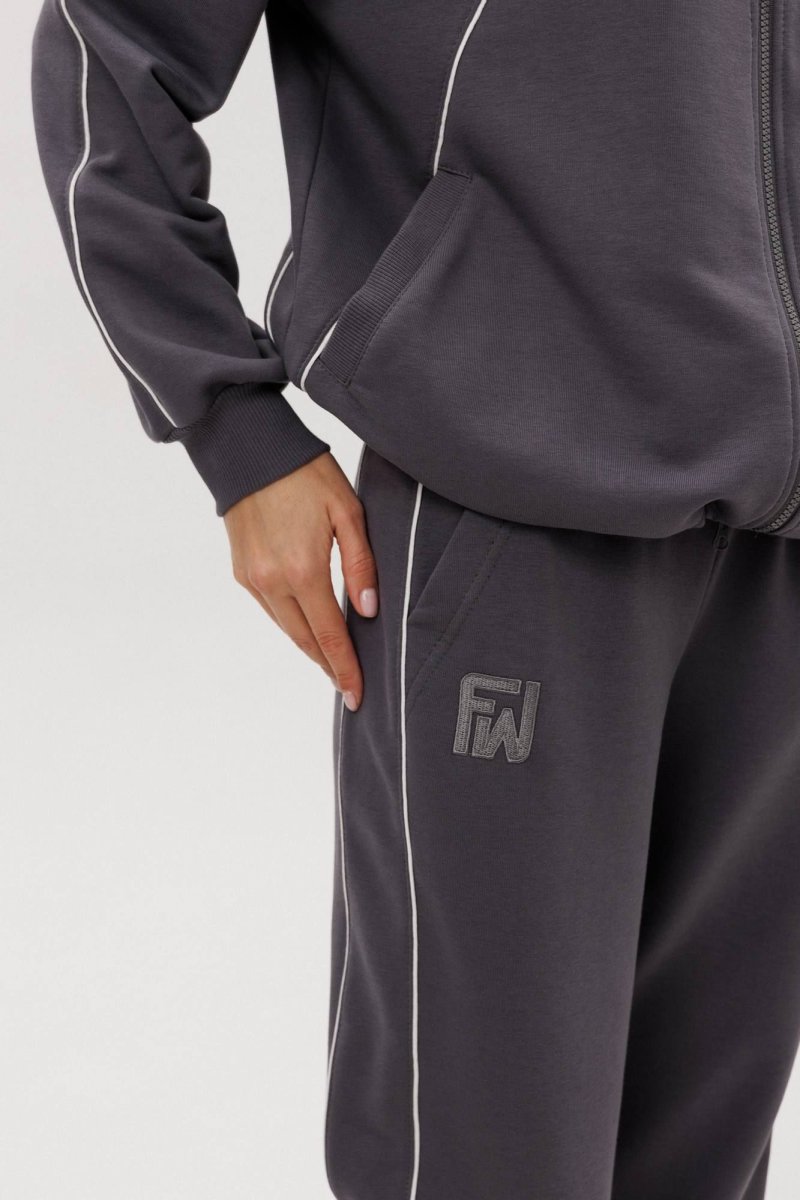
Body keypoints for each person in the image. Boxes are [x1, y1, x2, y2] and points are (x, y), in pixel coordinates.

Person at [30, 1, 800, 1196]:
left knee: (699, 1160)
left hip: (775, 538)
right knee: (486, 1160)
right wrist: (232, 427)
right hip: (509, 505)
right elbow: (107, 43)